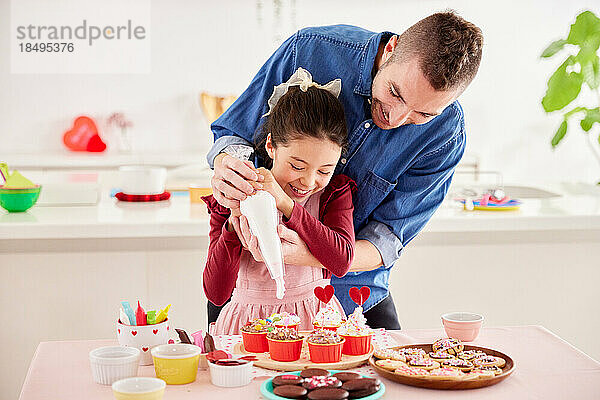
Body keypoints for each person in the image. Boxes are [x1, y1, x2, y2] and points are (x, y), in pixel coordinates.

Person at [207, 12, 484, 329]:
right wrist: (228, 166)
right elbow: (233, 133)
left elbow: (386, 240)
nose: (395, 117)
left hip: (356, 296)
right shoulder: (310, 50)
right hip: (246, 299)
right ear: (390, 49)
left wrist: (312, 254)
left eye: (422, 113)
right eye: (395, 92)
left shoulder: (444, 135)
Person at [202, 68, 357, 334]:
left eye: (324, 170)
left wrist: (286, 204)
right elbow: (216, 293)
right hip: (247, 327)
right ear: (272, 146)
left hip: (315, 324)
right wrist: (233, 224)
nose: (309, 182)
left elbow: (341, 261)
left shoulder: (333, 194)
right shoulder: (235, 192)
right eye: (297, 166)